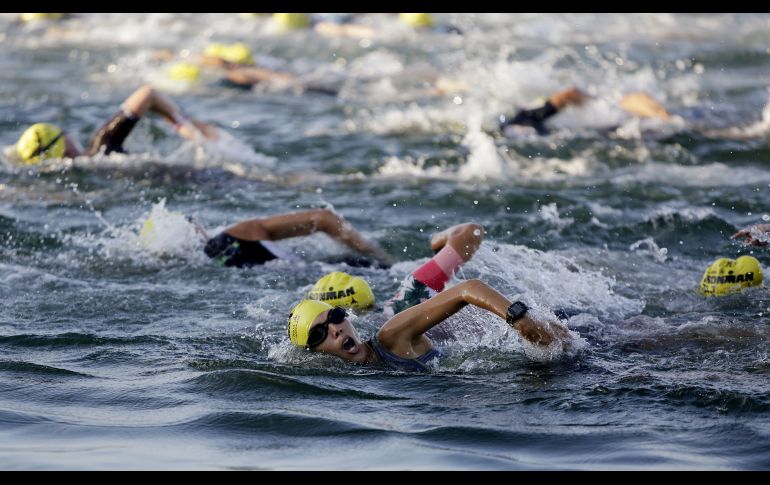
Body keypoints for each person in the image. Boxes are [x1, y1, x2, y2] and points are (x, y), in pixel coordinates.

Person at [287, 279, 574, 371]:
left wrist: (519, 318)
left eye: (335, 317)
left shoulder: (391, 337)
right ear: (312, 352)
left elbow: (467, 289)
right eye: (320, 333)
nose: (335, 329)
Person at [12, 84, 218, 165]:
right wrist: (184, 125)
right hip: (186, 177)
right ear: (64, 142)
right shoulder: (102, 144)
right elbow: (148, 93)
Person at [141, 208, 393, 269]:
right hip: (348, 272)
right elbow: (324, 218)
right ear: (197, 229)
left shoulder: (202, 266)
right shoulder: (241, 232)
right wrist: (380, 255)